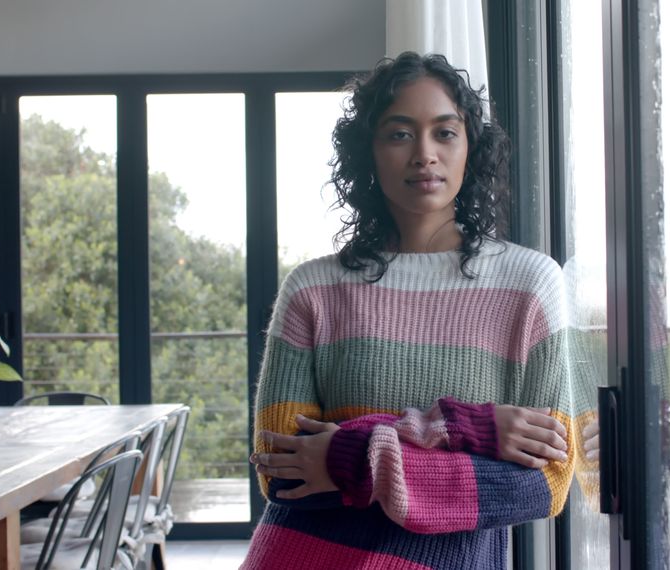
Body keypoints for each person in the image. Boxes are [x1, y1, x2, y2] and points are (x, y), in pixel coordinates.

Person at [242, 51, 598, 569]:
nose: (424, 154)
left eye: (445, 133)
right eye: (399, 133)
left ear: (470, 149)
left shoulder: (530, 284)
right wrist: (464, 430)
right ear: (369, 151)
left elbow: (544, 485)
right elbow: (283, 472)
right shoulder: (312, 289)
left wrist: (347, 456)